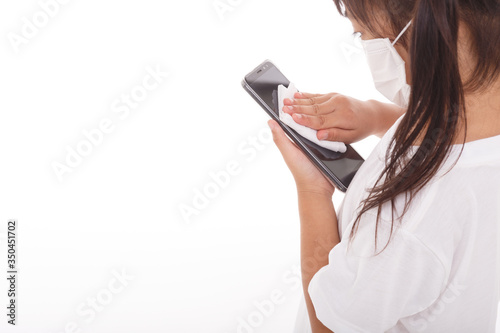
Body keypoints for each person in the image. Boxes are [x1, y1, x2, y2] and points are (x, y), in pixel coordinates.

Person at [267, 0, 500, 332]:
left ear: (427, 28)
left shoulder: (409, 214)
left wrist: (312, 191)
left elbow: (329, 327)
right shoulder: (475, 121)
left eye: (366, 34)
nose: (367, 46)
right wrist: (375, 115)